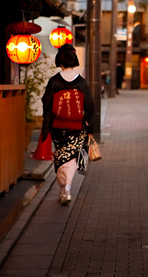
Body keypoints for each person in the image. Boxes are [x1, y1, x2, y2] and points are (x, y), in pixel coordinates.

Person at [41, 44, 94, 205]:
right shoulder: (81, 82)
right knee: (71, 158)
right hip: (77, 128)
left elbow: (46, 102)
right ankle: (67, 187)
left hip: (58, 127)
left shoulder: (54, 81)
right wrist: (89, 126)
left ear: (61, 63)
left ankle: (65, 187)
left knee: (61, 156)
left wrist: (48, 120)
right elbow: (90, 105)